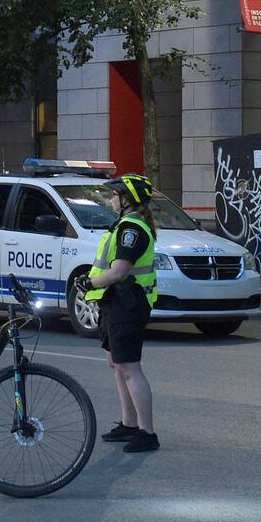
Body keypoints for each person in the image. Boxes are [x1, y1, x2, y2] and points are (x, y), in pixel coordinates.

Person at [76, 174, 160, 453]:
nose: (111, 198)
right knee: (117, 364)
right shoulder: (125, 225)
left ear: (127, 199)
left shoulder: (131, 229)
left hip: (128, 303)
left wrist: (90, 283)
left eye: (114, 195)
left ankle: (147, 433)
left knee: (130, 368)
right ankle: (129, 424)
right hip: (117, 302)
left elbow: (119, 271)